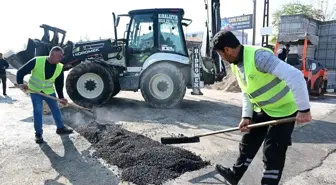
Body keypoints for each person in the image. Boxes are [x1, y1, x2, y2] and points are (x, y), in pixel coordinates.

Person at [211, 30, 312, 185]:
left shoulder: (259, 57)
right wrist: (246, 116)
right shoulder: (236, 65)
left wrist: (304, 110)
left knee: (273, 150)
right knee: (249, 140)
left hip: (285, 109)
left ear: (227, 50)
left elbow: (295, 76)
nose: (222, 57)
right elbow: (247, 91)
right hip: (265, 108)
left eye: (220, 54)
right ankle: (234, 175)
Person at [16, 46, 73, 144]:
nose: (61, 58)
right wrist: (21, 83)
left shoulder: (60, 67)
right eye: (59, 56)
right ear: (52, 55)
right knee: (38, 112)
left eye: (62, 56)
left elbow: (59, 84)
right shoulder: (37, 61)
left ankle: (60, 128)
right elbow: (20, 72)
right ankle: (38, 134)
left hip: (49, 91)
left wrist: (61, 98)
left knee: (56, 109)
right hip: (35, 91)